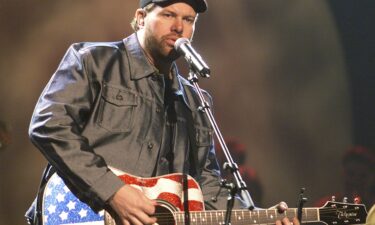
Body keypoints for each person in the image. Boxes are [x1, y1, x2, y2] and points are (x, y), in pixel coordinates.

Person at [26, 1, 299, 225]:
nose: (179, 27)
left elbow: (206, 183)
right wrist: (113, 192)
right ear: (141, 17)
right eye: (169, 14)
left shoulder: (196, 100)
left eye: (189, 20)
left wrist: (261, 218)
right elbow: (48, 125)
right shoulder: (93, 61)